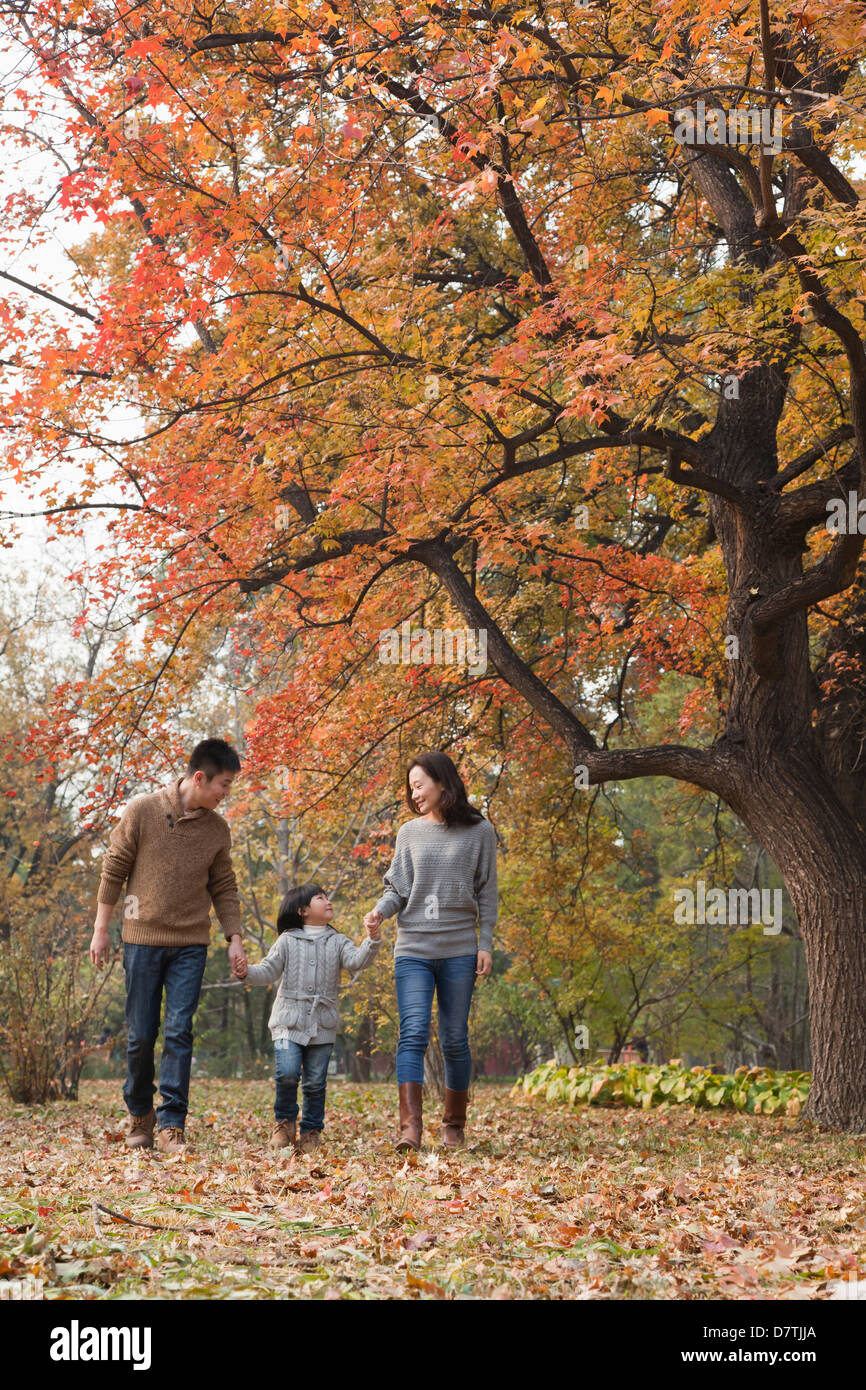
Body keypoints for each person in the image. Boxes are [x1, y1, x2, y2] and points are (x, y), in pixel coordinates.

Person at [89, 739, 246, 1152]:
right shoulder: (143, 810)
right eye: (224, 785)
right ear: (200, 777)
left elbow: (224, 886)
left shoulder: (217, 829)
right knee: (141, 1034)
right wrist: (101, 929)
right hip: (141, 940)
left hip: (190, 943)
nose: (226, 794)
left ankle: (171, 1124)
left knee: (179, 1031)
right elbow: (114, 868)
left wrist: (235, 938)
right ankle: (140, 1114)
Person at [364, 751, 498, 1151]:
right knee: (414, 1034)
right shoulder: (409, 833)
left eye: (419, 785)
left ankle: (454, 1127)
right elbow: (398, 889)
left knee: (455, 1038)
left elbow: (487, 893)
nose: (414, 793)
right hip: (414, 949)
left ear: (443, 783)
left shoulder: (480, 831)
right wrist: (379, 913)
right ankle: (411, 1131)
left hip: (459, 948)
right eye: (411, 788)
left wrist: (485, 942)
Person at [232, 884, 381, 1153]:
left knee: (315, 1082)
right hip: (287, 1021)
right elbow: (268, 970)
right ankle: (284, 1123)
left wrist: (371, 938)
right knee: (287, 1073)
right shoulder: (287, 940)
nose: (328, 901)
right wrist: (245, 972)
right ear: (302, 910)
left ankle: (311, 1131)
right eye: (320, 898)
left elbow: (358, 961)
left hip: (322, 1023)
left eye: (327, 896)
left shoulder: (337, 941)